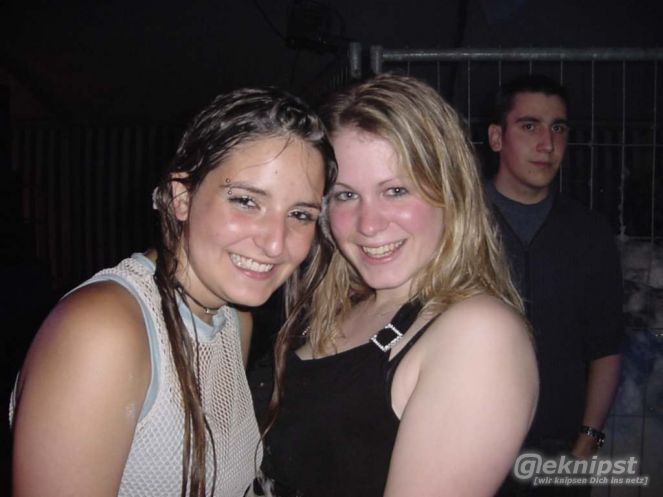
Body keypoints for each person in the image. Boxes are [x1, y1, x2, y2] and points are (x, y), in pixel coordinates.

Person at [10, 87, 337, 497]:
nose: (275, 243)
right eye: (246, 201)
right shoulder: (101, 332)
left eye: (300, 214)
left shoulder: (233, 320)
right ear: (181, 197)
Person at [251, 74, 538, 497]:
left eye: (396, 190)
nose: (369, 224)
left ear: (451, 192)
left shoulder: (478, 334)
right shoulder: (336, 307)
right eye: (346, 195)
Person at [485, 74, 624, 495]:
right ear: (496, 137)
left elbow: (606, 346)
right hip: (470, 443)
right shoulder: (459, 225)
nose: (547, 144)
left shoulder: (589, 233)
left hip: (558, 454)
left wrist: (586, 443)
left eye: (558, 128)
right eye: (529, 126)